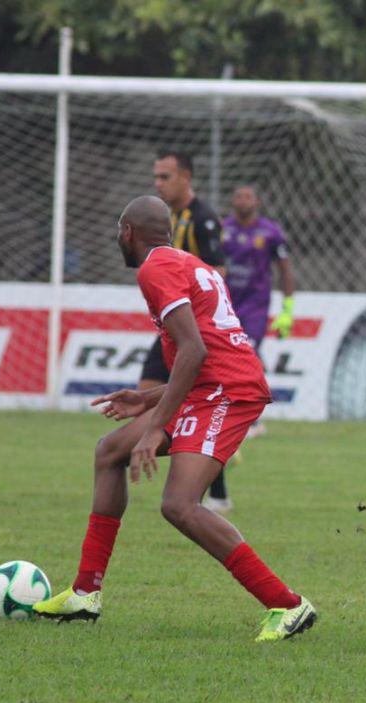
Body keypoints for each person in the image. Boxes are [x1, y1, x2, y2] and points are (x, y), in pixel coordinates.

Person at [34, 195, 317, 643]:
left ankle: (287, 604)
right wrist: (145, 400)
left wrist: (156, 427)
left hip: (228, 392)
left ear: (128, 232)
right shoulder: (188, 262)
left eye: (118, 232)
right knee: (109, 452)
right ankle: (86, 592)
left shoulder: (155, 270)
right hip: (214, 386)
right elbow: (207, 354)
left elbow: (195, 351)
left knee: (179, 505)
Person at [146, 149, 233, 513]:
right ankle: (212, 490)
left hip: (195, 333)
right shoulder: (173, 216)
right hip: (176, 327)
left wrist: (186, 314)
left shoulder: (203, 219)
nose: (158, 183)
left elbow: (217, 273)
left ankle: (207, 490)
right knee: (150, 391)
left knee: (159, 395)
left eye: (165, 176)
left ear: (185, 177)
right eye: (157, 176)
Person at [222, 186, 296, 439]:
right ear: (232, 201)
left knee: (247, 354)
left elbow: (285, 268)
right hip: (225, 304)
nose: (243, 200)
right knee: (228, 358)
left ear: (257, 201)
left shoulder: (271, 232)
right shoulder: (223, 229)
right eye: (239, 196)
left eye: (248, 196)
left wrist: (288, 308)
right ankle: (232, 413)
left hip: (255, 306)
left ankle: (251, 419)